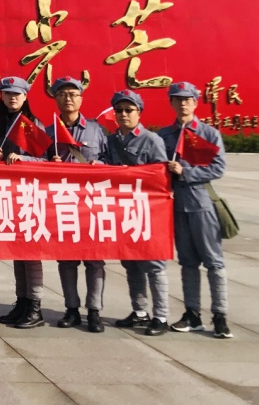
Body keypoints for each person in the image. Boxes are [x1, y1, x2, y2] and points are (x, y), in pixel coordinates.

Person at [159, 81, 231, 339]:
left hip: (201, 204)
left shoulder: (208, 133)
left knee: (213, 261)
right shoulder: (164, 135)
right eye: (178, 99)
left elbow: (218, 167)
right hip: (176, 205)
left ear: (195, 102)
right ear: (171, 102)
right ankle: (192, 313)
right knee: (187, 261)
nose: (183, 103)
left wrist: (185, 172)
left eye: (187, 99)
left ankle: (220, 315)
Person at [103, 89, 170, 337]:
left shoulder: (151, 140)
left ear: (139, 113)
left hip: (147, 210)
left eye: (129, 110)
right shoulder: (111, 141)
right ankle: (140, 311)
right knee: (130, 263)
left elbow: (161, 176)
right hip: (122, 210)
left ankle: (161, 316)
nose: (123, 114)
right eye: (119, 110)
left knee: (153, 264)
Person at [44, 75, 109, 333]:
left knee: (94, 260)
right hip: (63, 203)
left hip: (92, 204)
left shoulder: (95, 130)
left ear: (81, 99)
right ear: (55, 99)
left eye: (73, 94)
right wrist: (49, 164)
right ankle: (71, 308)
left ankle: (94, 311)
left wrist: (98, 165)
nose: (68, 98)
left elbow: (111, 161)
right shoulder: (49, 132)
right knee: (67, 260)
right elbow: (35, 162)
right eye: (62, 94)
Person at [0, 76, 47, 329]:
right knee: (17, 252)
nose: (12, 98)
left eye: (17, 94)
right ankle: (22, 302)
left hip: (29, 195)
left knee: (31, 253)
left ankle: (35, 306)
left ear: (25, 97)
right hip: (7, 196)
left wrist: (24, 160)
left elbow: (46, 160)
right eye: (7, 93)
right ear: (1, 96)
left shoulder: (32, 124)